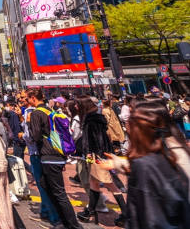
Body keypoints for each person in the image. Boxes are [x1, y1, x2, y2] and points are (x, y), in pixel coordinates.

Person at [100, 100, 190, 229]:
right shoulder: (168, 148)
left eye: (131, 121)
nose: (127, 125)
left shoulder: (168, 155)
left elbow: (150, 216)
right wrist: (119, 163)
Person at [27, 88, 82, 229]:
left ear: (33, 98)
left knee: (58, 192)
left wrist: (28, 123)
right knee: (47, 186)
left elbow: (35, 136)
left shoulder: (36, 113)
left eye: (28, 98)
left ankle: (74, 225)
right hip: (56, 154)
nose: (27, 101)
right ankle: (62, 222)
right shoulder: (49, 110)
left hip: (48, 155)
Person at [76, 97, 127, 226]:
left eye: (78, 105)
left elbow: (95, 140)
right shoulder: (97, 118)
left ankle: (126, 214)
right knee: (94, 183)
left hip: (97, 156)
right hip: (98, 155)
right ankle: (90, 211)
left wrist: (91, 154)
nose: (76, 108)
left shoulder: (91, 120)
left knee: (110, 184)